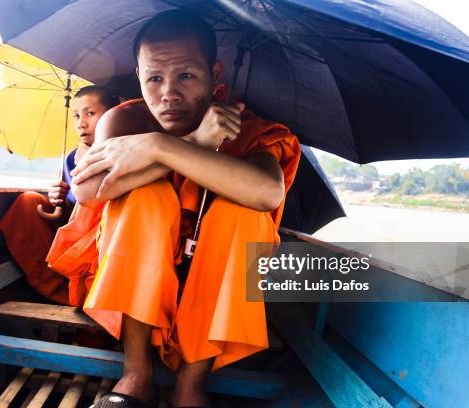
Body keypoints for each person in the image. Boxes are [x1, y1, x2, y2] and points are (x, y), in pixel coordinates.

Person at [54, 10, 301, 408]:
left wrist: (160, 146)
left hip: (208, 279)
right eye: (154, 78)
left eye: (186, 76)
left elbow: (267, 193)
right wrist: (190, 146)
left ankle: (191, 383)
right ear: (138, 76)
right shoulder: (124, 119)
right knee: (146, 199)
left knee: (242, 214)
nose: (168, 93)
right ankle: (136, 373)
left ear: (216, 73)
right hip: (129, 270)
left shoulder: (245, 127)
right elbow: (89, 190)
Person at [0, 85, 118, 306]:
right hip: (72, 230)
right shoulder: (72, 157)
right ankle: (58, 291)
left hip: (103, 235)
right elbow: (66, 208)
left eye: (90, 113)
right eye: (76, 116)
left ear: (112, 115)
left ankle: (83, 296)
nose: (81, 123)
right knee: (28, 202)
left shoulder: (118, 150)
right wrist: (58, 197)